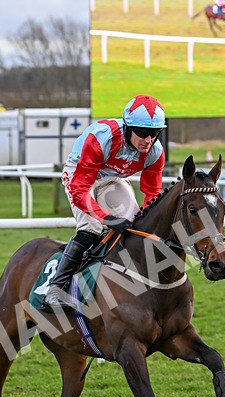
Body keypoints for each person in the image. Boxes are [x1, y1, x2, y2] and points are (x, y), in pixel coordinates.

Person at [42, 95, 167, 310]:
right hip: (80, 174)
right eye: (143, 133)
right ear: (128, 127)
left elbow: (152, 193)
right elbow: (80, 189)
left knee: (135, 226)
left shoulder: (155, 152)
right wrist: (106, 217)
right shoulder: (102, 139)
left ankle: (124, 281)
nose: (149, 140)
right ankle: (55, 289)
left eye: (155, 134)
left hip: (112, 178)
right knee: (91, 227)